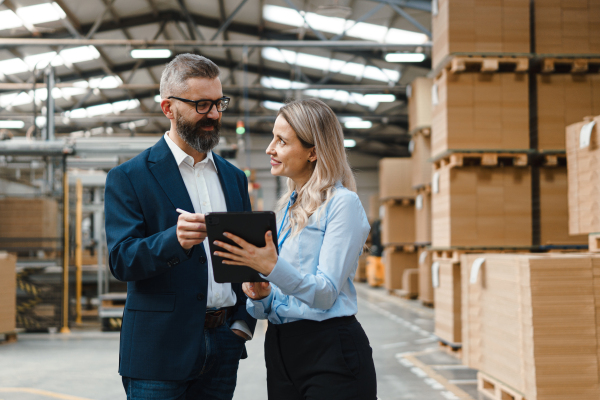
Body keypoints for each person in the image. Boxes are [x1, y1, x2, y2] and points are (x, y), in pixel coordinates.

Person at [104, 53, 256, 400]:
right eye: (202, 105)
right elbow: (121, 260)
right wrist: (174, 240)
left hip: (224, 343)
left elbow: (245, 259)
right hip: (158, 352)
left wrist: (242, 325)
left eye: (219, 103)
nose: (214, 115)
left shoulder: (233, 179)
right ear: (168, 108)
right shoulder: (130, 177)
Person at [213, 98, 377, 399]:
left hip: (330, 351)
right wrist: (261, 295)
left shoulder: (342, 204)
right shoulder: (286, 210)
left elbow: (325, 293)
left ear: (313, 151)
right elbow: (275, 301)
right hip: (280, 349)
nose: (269, 149)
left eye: (282, 141)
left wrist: (270, 267)